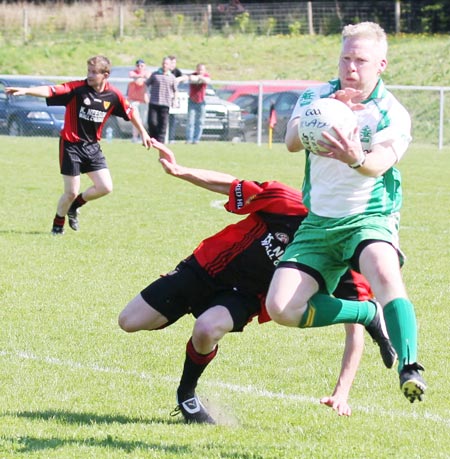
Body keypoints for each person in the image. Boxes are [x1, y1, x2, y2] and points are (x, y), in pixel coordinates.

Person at [118, 138, 396, 424]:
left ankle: (186, 394)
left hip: (245, 296)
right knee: (128, 321)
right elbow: (232, 186)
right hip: (205, 268)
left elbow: (357, 328)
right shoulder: (288, 202)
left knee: (206, 328)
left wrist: (342, 392)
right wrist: (180, 170)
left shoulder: (343, 248)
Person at [266, 21, 427, 403]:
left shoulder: (392, 113)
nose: (351, 67)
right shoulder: (316, 95)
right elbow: (291, 143)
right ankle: (364, 314)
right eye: (346, 58)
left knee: (385, 272)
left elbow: (378, 164)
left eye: (361, 60)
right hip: (319, 221)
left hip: (368, 217)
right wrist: (325, 114)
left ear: (381, 65)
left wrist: (356, 158)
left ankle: (410, 365)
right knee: (280, 308)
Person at [6, 55, 151, 235]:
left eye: (94, 73)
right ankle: (57, 225)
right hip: (70, 146)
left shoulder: (113, 95)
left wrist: (144, 133)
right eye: (88, 71)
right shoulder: (77, 89)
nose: (89, 76)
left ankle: (75, 206)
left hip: (92, 146)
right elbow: (52, 90)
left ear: (105, 75)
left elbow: (131, 110)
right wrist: (27, 91)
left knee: (105, 187)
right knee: (70, 192)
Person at [146, 57, 177, 143]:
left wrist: (174, 100)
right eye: (163, 63)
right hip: (154, 102)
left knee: (163, 124)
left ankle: (161, 142)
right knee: (152, 122)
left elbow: (175, 90)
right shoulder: (155, 75)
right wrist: (145, 94)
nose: (164, 65)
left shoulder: (172, 77)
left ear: (170, 65)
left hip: (165, 103)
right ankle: (152, 139)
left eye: (166, 64)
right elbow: (146, 84)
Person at [184, 63, 211, 144]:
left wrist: (201, 77)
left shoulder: (206, 76)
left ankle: (196, 139)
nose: (200, 71)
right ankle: (189, 139)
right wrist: (199, 77)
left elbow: (207, 80)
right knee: (190, 121)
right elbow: (192, 79)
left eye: (202, 70)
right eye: (199, 69)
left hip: (201, 101)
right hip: (192, 100)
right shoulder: (193, 75)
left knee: (200, 121)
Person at [127, 59, 150, 143]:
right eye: (138, 66)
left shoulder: (147, 73)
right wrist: (141, 77)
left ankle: (142, 136)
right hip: (134, 100)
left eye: (142, 66)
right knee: (136, 119)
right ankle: (135, 137)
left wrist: (141, 77)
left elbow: (148, 76)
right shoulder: (132, 72)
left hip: (143, 100)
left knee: (143, 120)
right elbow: (133, 77)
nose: (140, 67)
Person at [168, 55, 183, 144]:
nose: (173, 64)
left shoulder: (177, 72)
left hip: (174, 97)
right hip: (164, 97)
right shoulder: (163, 70)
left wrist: (178, 79)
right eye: (171, 62)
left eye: (174, 62)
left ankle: (171, 138)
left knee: (173, 119)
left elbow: (184, 77)